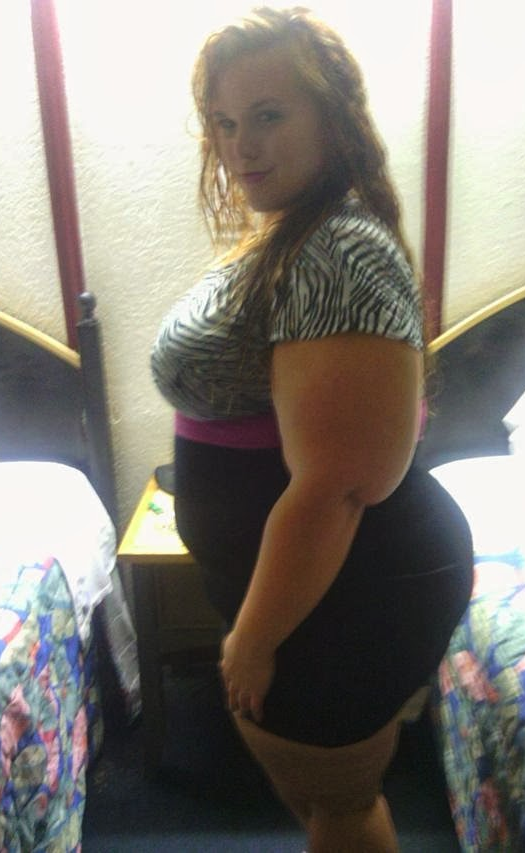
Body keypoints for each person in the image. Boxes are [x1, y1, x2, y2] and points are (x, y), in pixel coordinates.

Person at [151, 7, 473, 851]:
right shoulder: (300, 235)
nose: (241, 145)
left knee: (340, 802)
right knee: (330, 800)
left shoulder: (340, 251)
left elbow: (339, 484)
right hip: (322, 587)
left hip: (354, 589)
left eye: (268, 115)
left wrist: (254, 638)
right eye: (224, 122)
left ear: (334, 116)